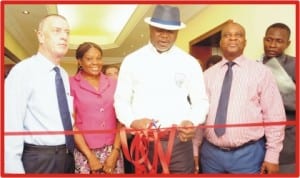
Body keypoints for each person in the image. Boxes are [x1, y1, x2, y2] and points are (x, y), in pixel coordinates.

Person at [114, 5, 209, 173]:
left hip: (179, 144)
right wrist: (132, 121)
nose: (165, 36)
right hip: (143, 144)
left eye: (171, 32)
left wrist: (192, 121)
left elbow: (200, 101)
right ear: (150, 28)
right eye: (159, 30)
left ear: (177, 32)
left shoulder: (190, 63)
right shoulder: (132, 61)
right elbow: (121, 100)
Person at [200, 22, 286, 173]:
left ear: (245, 42)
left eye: (238, 35)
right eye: (227, 35)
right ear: (220, 42)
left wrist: (272, 156)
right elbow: (200, 114)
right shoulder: (207, 75)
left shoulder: (262, 72)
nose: (232, 39)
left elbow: (274, 115)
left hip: (248, 155)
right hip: (210, 155)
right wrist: (195, 149)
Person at [4, 14, 75, 173]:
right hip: (39, 160)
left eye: (67, 32)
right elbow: (9, 126)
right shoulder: (22, 71)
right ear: (41, 36)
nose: (64, 36)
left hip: (67, 156)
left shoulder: (62, 74)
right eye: (57, 31)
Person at [70, 42, 124, 174]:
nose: (95, 62)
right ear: (80, 61)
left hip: (113, 151)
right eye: (89, 59)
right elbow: (72, 124)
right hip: (85, 152)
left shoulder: (114, 83)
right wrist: (90, 156)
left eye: (98, 58)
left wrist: (116, 151)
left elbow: (120, 119)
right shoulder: (70, 84)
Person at [261, 23, 295, 173]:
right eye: (269, 40)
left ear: (288, 44)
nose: (272, 45)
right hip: (256, 144)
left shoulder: (295, 65)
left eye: (279, 41)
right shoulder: (254, 65)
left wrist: (269, 98)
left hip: (287, 144)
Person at [192, 54, 222, 173]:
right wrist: (195, 149)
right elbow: (200, 122)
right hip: (206, 148)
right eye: (210, 69)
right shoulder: (201, 93)